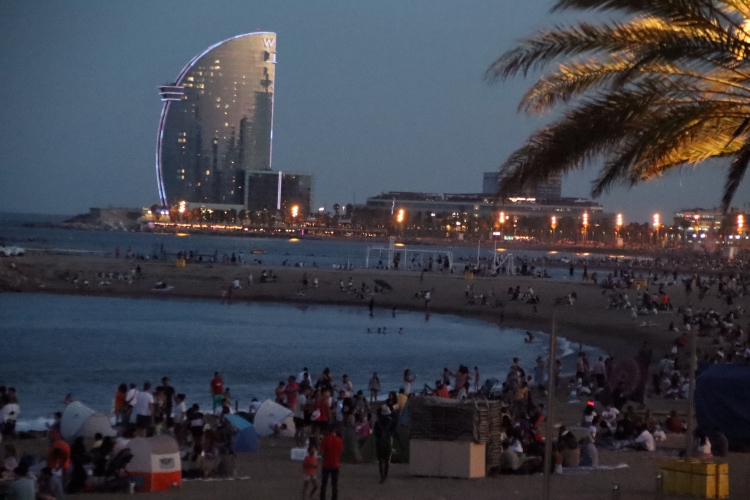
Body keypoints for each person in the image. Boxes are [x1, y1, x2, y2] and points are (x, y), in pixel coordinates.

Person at [373, 406, 396, 483]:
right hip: (388, 441)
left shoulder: (377, 422)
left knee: (381, 460)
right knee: (387, 460)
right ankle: (385, 475)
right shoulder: (392, 422)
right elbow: (394, 432)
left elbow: (375, 433)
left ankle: (382, 476)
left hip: (379, 441)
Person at [319, 426, 342, 500]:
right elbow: (340, 451)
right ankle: (334, 497)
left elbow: (322, 452)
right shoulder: (339, 440)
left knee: (324, 483)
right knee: (334, 484)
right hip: (335, 463)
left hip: (326, 463)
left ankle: (322, 497)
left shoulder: (325, 440)